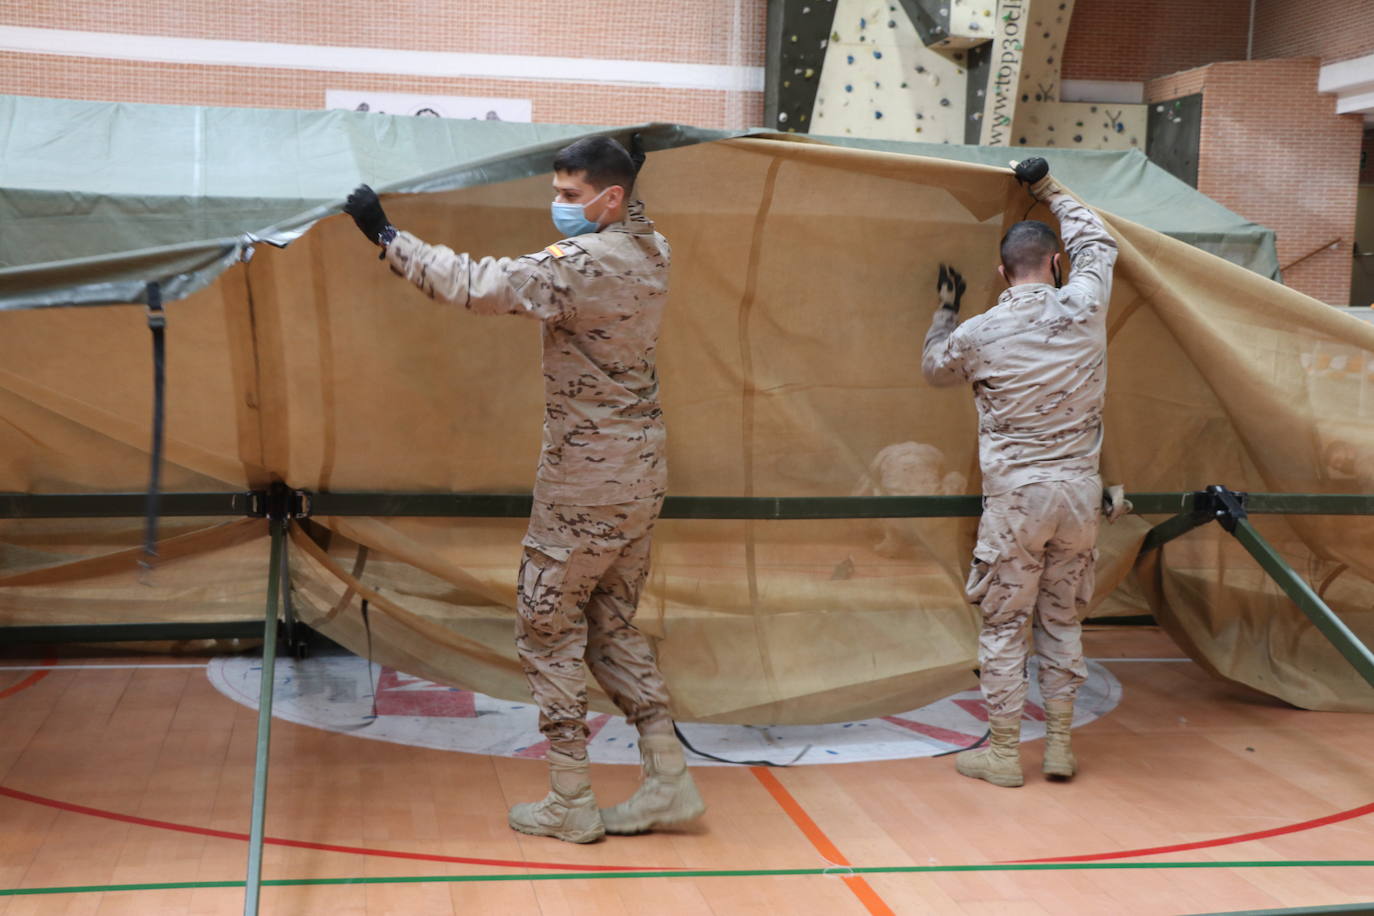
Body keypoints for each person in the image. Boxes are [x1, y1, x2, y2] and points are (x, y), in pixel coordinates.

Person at [342, 136, 704, 841]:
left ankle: (570, 798)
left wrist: (386, 236)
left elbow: (479, 284)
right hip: (638, 473)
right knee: (610, 625)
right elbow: (627, 207)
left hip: (583, 481)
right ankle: (668, 779)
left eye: (570, 196)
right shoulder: (652, 248)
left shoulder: (580, 265)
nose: (557, 207)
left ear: (610, 199)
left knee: (547, 628)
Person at [921, 157, 1119, 788]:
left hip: (1016, 504)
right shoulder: (1085, 306)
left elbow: (933, 368)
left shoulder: (980, 332)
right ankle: (1059, 747)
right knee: (1062, 620)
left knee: (1006, 625)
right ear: (1055, 264)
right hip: (1080, 499)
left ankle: (1005, 754)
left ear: (1002, 272)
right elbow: (1098, 239)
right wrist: (1047, 187)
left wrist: (946, 312)